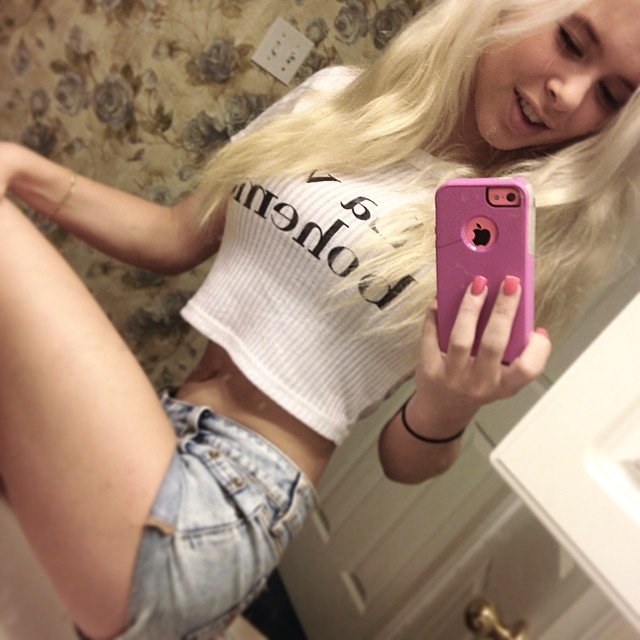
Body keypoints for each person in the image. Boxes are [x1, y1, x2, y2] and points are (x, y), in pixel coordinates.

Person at [1, 0, 639, 637]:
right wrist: (24, 168)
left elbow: (406, 462)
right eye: (571, 42)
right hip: (167, 426)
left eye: (610, 95)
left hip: (231, 498)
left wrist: (446, 405)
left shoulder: (517, 246)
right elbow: (174, 235)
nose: (568, 93)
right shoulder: (334, 101)